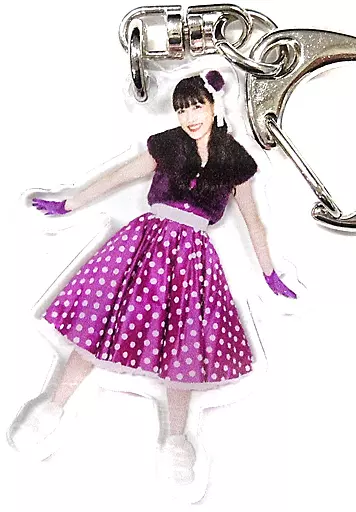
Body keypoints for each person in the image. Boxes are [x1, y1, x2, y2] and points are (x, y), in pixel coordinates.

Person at [12, 70, 296, 484]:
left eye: (196, 106)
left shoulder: (235, 162)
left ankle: (177, 441)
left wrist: (269, 272)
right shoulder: (168, 145)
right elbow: (119, 176)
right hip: (146, 246)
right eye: (182, 109)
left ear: (214, 106)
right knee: (103, 323)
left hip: (192, 259)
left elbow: (254, 221)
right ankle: (50, 407)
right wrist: (69, 203)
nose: (190, 117)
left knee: (184, 343)